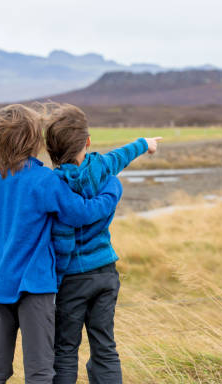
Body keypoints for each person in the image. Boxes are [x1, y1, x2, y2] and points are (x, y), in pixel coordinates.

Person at [0, 104, 123, 384]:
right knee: (40, 370)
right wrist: (112, 188)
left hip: (0, 288)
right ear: (33, 140)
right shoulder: (44, 180)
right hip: (35, 290)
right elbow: (81, 213)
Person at [44, 103, 160, 384]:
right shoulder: (104, 170)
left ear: (51, 149)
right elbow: (123, 155)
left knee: (65, 350)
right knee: (105, 346)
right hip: (106, 272)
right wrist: (145, 143)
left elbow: (59, 237)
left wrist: (56, 279)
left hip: (72, 278)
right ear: (88, 142)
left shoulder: (53, 184)